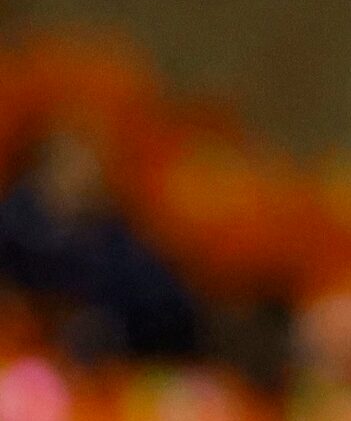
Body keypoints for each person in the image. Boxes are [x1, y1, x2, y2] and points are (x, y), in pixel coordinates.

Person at [0, 130, 202, 363]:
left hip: (103, 372)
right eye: (68, 163)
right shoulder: (12, 231)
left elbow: (170, 309)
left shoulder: (115, 243)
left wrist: (108, 326)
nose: (80, 176)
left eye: (89, 165)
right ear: (40, 168)